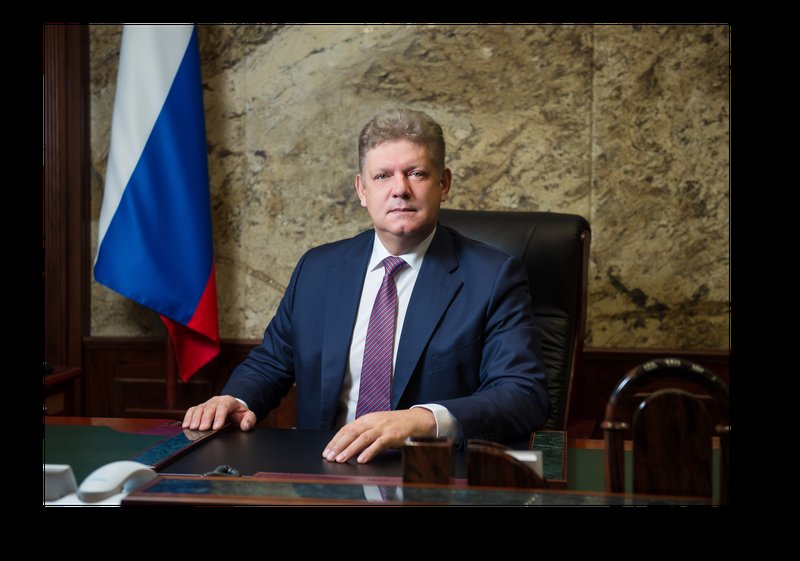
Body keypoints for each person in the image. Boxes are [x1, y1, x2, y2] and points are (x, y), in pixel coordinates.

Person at [183, 108, 549, 464]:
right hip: (324, 471)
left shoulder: (493, 277)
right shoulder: (318, 269)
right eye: (383, 176)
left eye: (417, 173)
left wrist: (421, 420)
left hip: (428, 476)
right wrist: (237, 399)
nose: (400, 189)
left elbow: (523, 394)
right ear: (362, 190)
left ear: (444, 184)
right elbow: (272, 362)